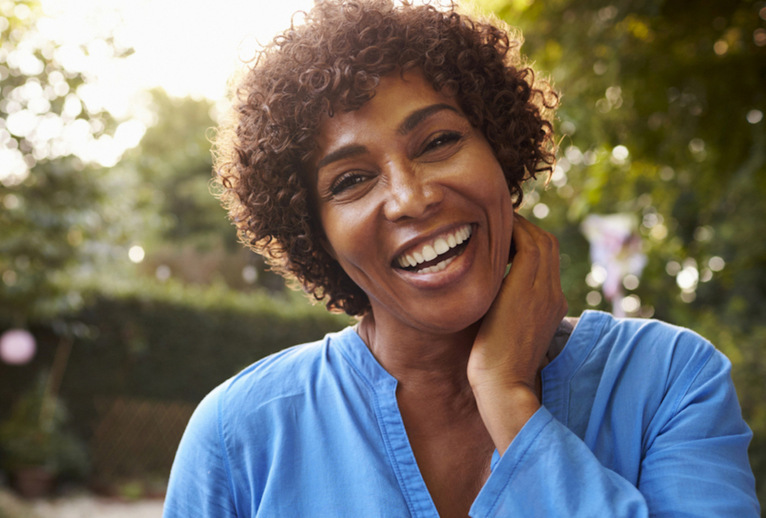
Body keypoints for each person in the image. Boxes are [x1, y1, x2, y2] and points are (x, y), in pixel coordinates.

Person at [163, 1, 760, 516]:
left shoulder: (669, 382)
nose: (411, 198)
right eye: (350, 180)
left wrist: (507, 397)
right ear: (314, 235)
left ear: (500, 150)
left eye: (439, 141)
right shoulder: (240, 435)